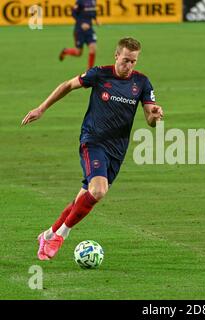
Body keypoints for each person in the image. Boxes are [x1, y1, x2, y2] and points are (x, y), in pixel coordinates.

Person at [22, 37, 164, 260]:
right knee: (98, 190)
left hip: (117, 150)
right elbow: (67, 85)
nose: (129, 66)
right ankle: (61, 235)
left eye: (133, 62)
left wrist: (155, 117)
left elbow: (149, 119)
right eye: (125, 60)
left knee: (84, 198)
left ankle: (48, 235)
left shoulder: (142, 83)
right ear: (116, 56)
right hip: (93, 141)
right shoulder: (99, 74)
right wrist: (41, 109)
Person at [59, 0, 100, 69]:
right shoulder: (80, 1)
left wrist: (96, 20)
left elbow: (93, 12)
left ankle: (89, 70)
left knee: (93, 48)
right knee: (78, 53)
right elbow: (73, 13)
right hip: (79, 30)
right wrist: (82, 23)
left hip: (89, 30)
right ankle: (66, 51)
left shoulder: (94, 1)